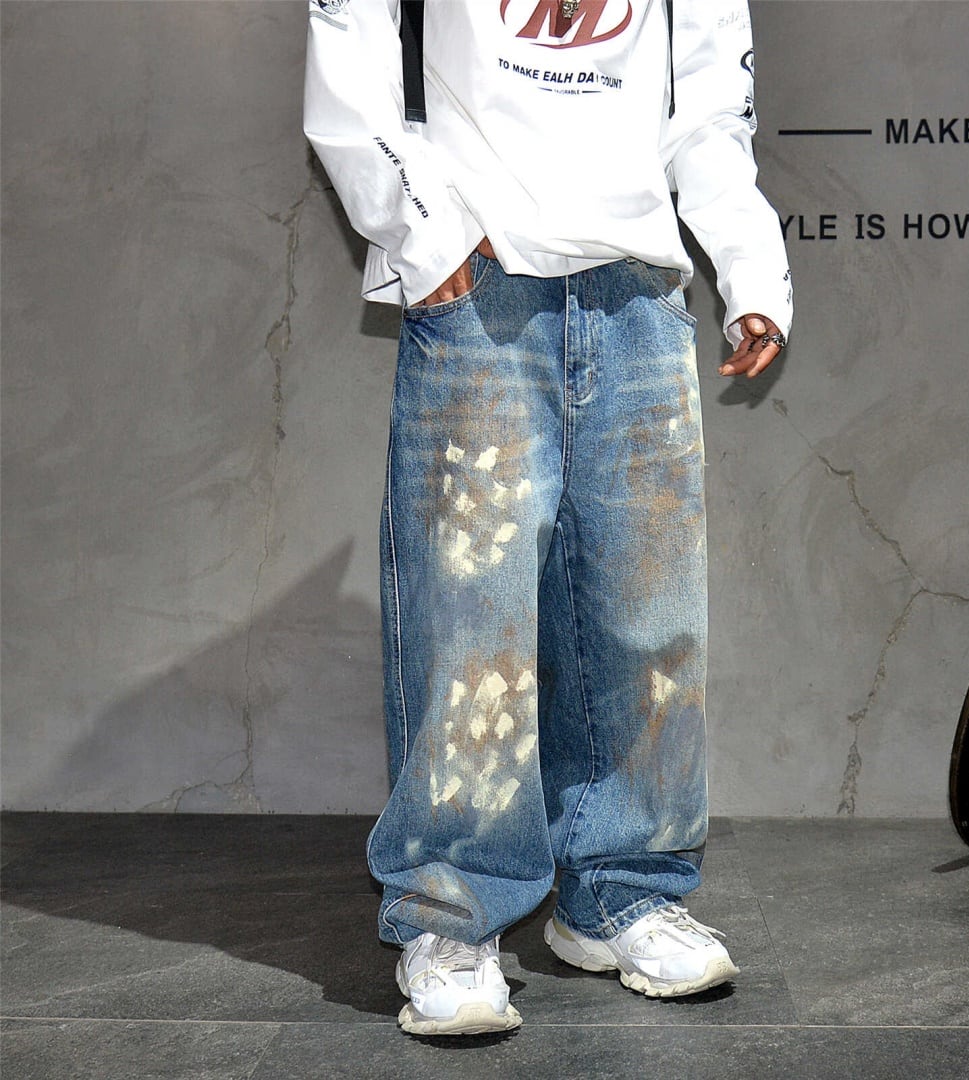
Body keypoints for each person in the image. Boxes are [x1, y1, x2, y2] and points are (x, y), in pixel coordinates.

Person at [304, 0, 792, 1037]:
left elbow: (712, 103)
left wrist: (750, 265)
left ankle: (620, 891)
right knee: (468, 626)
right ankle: (452, 917)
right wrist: (427, 234)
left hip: (639, 291)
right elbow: (349, 52)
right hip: (481, 287)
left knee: (648, 622)